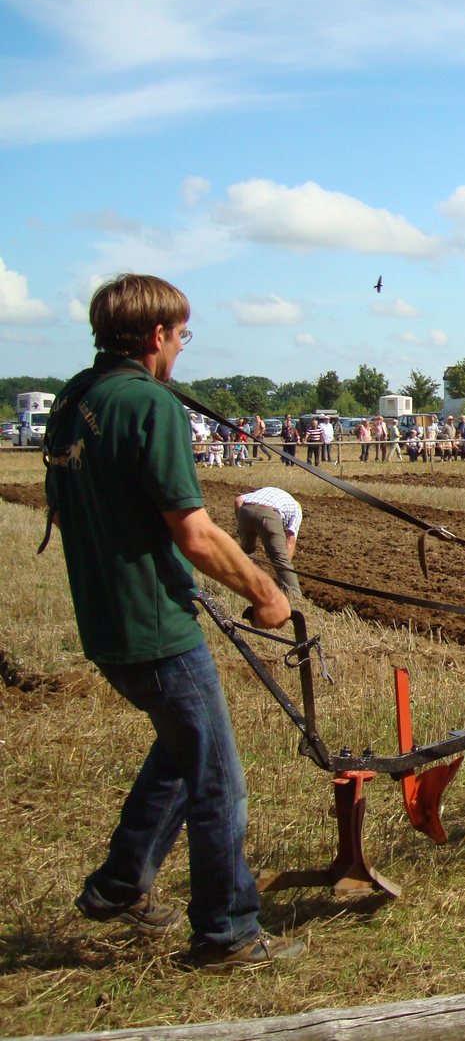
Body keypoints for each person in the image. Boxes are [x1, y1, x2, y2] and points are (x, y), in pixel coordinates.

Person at [44, 274, 303, 971]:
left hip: (104, 620)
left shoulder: (72, 399)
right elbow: (194, 533)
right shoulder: (148, 405)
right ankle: (227, 933)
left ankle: (120, 885)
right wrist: (265, 590)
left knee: (179, 750)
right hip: (156, 624)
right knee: (217, 778)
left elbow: (68, 513)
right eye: (183, 335)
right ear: (157, 336)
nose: (183, 347)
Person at [234, 488, 303, 599]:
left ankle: (239, 585)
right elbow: (290, 540)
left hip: (245, 510)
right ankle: (294, 595)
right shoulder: (296, 510)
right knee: (280, 558)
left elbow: (238, 500)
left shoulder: (270, 493)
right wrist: (283, 567)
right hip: (268, 514)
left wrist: (241, 525)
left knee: (246, 551)